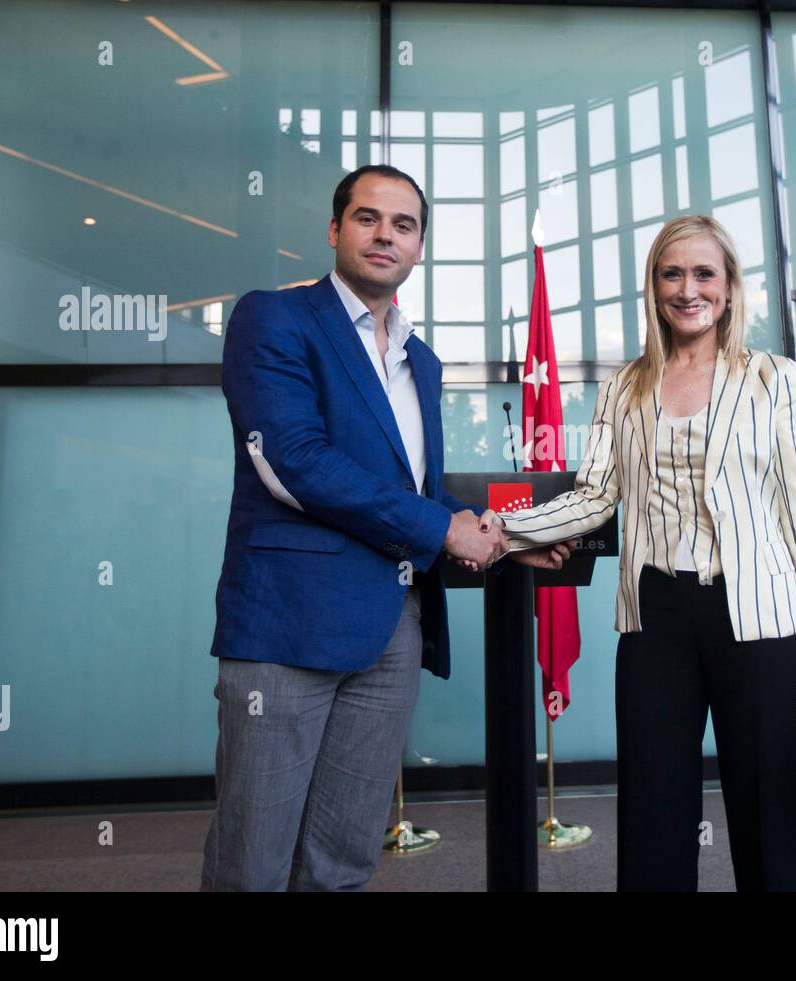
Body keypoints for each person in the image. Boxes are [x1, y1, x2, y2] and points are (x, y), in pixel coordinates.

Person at [201, 164, 570, 891]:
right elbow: (295, 463)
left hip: (392, 630)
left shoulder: (419, 358)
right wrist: (444, 528)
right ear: (335, 229)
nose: (385, 235)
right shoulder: (274, 317)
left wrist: (510, 541)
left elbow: (419, 492)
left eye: (404, 225)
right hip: (288, 627)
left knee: (342, 858)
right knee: (253, 863)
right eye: (368, 218)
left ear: (419, 248)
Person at [485, 215, 796, 891]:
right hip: (657, 618)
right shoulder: (625, 387)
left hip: (764, 622)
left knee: (771, 821)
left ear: (728, 286)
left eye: (703, 273)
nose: (688, 289)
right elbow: (594, 496)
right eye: (671, 273)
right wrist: (503, 531)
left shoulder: (775, 378)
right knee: (654, 819)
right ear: (654, 286)